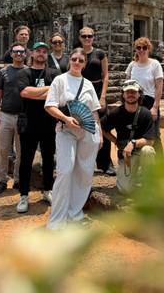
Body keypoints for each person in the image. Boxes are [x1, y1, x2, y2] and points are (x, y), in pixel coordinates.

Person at [45, 47, 102, 230]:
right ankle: (57, 221)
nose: (77, 63)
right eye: (75, 59)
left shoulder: (88, 84)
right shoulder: (60, 80)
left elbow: (93, 111)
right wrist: (65, 119)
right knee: (65, 170)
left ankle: (74, 213)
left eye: (81, 61)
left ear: (85, 64)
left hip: (87, 132)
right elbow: (49, 106)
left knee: (84, 173)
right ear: (70, 60)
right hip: (65, 131)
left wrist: (98, 132)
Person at [16, 42, 59, 213]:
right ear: (31, 53)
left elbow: (57, 94)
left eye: (44, 51)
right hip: (28, 123)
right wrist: (49, 90)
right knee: (26, 160)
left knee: (49, 160)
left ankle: (47, 190)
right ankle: (23, 195)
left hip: (48, 122)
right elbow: (24, 92)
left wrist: (37, 92)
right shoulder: (23, 72)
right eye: (38, 51)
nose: (41, 54)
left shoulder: (54, 73)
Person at [101, 79, 156, 194]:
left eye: (134, 92)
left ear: (139, 94)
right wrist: (116, 141)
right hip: (126, 157)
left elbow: (150, 141)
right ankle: (133, 178)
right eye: (128, 92)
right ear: (123, 94)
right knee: (125, 190)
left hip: (141, 152)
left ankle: (149, 184)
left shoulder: (146, 114)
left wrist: (133, 143)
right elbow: (102, 128)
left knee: (148, 150)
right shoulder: (116, 113)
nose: (131, 94)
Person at [0, 42, 27, 195]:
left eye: (21, 52)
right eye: (16, 52)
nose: (19, 54)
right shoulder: (3, 72)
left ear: (25, 54)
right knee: (3, 149)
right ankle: (2, 179)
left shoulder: (29, 72)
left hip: (23, 117)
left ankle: (18, 179)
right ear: (11, 54)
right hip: (5, 115)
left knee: (21, 151)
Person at [79, 26, 115, 176]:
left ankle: (106, 163)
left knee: (103, 126)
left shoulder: (100, 54)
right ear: (80, 37)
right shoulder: (77, 54)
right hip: (81, 92)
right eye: (84, 36)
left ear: (93, 37)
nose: (87, 39)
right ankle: (84, 162)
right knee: (82, 126)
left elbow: (105, 75)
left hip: (97, 89)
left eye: (90, 36)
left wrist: (103, 96)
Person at [126, 37, 164, 156]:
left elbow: (159, 86)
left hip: (149, 101)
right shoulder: (132, 65)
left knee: (154, 134)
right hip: (134, 102)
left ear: (149, 49)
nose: (141, 50)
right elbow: (126, 85)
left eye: (144, 48)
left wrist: (155, 107)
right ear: (135, 50)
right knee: (135, 132)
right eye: (139, 48)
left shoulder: (155, 64)